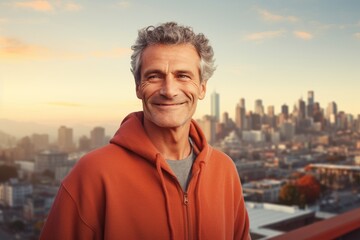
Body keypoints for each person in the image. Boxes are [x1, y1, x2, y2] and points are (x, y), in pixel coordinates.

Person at [40, 22, 250, 240]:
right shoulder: (92, 174)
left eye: (183, 76)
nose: (169, 90)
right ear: (138, 87)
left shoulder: (225, 170)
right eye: (154, 76)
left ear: (202, 87)